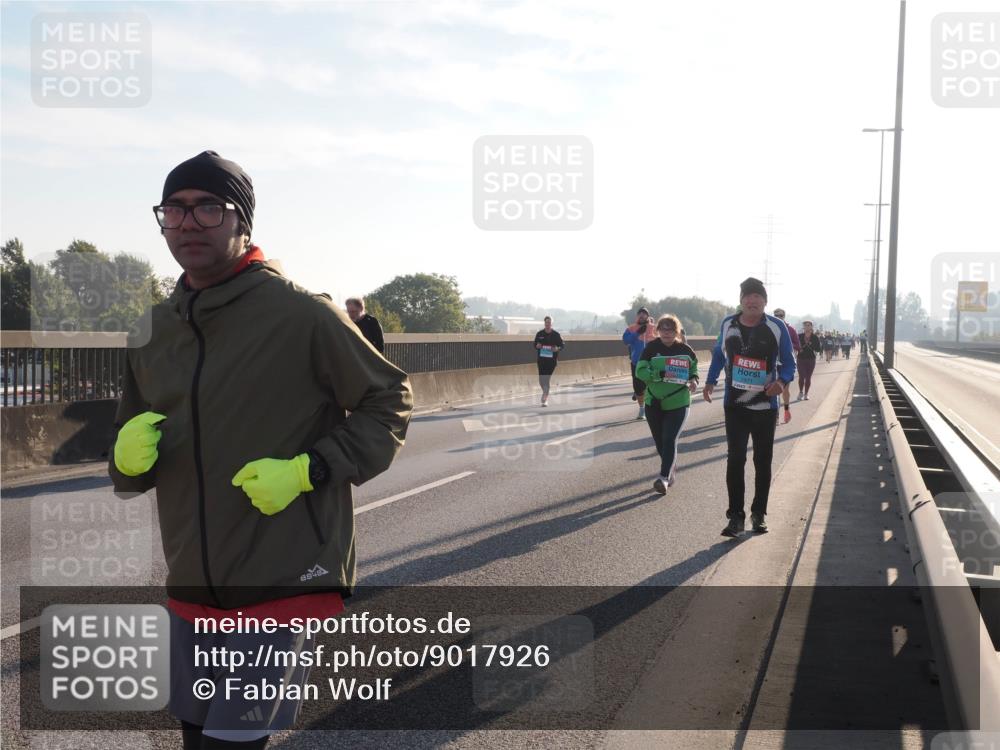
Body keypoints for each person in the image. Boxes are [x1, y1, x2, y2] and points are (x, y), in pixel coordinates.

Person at [110, 151, 413, 750]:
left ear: (242, 222)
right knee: (195, 739)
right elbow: (129, 457)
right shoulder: (152, 330)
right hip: (191, 581)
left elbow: (390, 400)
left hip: (280, 576)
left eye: (208, 208)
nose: (189, 222)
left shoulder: (302, 313)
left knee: (233, 743)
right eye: (175, 209)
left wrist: (310, 469)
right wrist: (123, 461)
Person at [704, 277, 795, 537]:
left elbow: (790, 364)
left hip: (766, 406)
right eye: (748, 296)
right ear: (741, 300)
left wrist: (781, 381)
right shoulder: (727, 323)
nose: (752, 300)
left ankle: (758, 514)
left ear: (765, 302)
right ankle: (735, 517)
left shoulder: (777, 327)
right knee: (735, 460)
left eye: (758, 297)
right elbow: (719, 356)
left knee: (762, 461)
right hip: (734, 405)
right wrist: (710, 381)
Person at [636, 314, 698, 494]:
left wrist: (694, 380)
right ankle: (671, 467)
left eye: (670, 329)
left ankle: (663, 478)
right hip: (654, 401)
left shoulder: (686, 350)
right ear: (657, 331)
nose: (667, 332)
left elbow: (693, 370)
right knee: (659, 442)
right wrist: (659, 375)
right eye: (663, 329)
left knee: (669, 438)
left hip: (678, 401)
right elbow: (640, 371)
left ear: (676, 331)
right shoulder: (650, 349)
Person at [623, 307, 658, 419]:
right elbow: (625, 340)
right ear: (637, 316)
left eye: (645, 313)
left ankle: (651, 407)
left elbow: (663, 340)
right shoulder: (631, 328)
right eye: (640, 313)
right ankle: (642, 408)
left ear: (648, 316)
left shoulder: (654, 328)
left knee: (651, 385)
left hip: (652, 363)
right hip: (636, 362)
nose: (642, 315)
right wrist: (637, 333)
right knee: (638, 387)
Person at [771, 308, 799, 425]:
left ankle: (786, 410)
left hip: (786, 364)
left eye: (781, 315)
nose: (778, 317)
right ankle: (776, 416)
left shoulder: (790, 329)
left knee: (785, 390)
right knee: (774, 390)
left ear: (784, 316)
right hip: (772, 363)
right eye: (776, 315)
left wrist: (786, 344)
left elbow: (798, 345)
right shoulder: (769, 327)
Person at [534, 316, 564, 406]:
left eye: (549, 323)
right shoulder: (539, 334)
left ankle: (545, 397)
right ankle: (545, 392)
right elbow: (534, 344)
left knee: (546, 379)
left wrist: (557, 348)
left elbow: (562, 345)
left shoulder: (556, 334)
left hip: (551, 361)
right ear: (544, 323)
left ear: (552, 324)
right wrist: (537, 346)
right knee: (541, 380)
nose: (548, 324)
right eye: (546, 322)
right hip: (541, 360)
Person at [796, 320, 822, 400]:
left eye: (808, 325)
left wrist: (812, 345)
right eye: (805, 325)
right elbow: (794, 345)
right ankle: (801, 392)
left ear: (811, 327)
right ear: (803, 327)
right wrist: (799, 348)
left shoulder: (815, 337)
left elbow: (818, 349)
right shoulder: (799, 336)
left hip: (811, 359)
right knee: (801, 376)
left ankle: (806, 394)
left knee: (808, 377)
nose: (807, 326)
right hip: (801, 359)